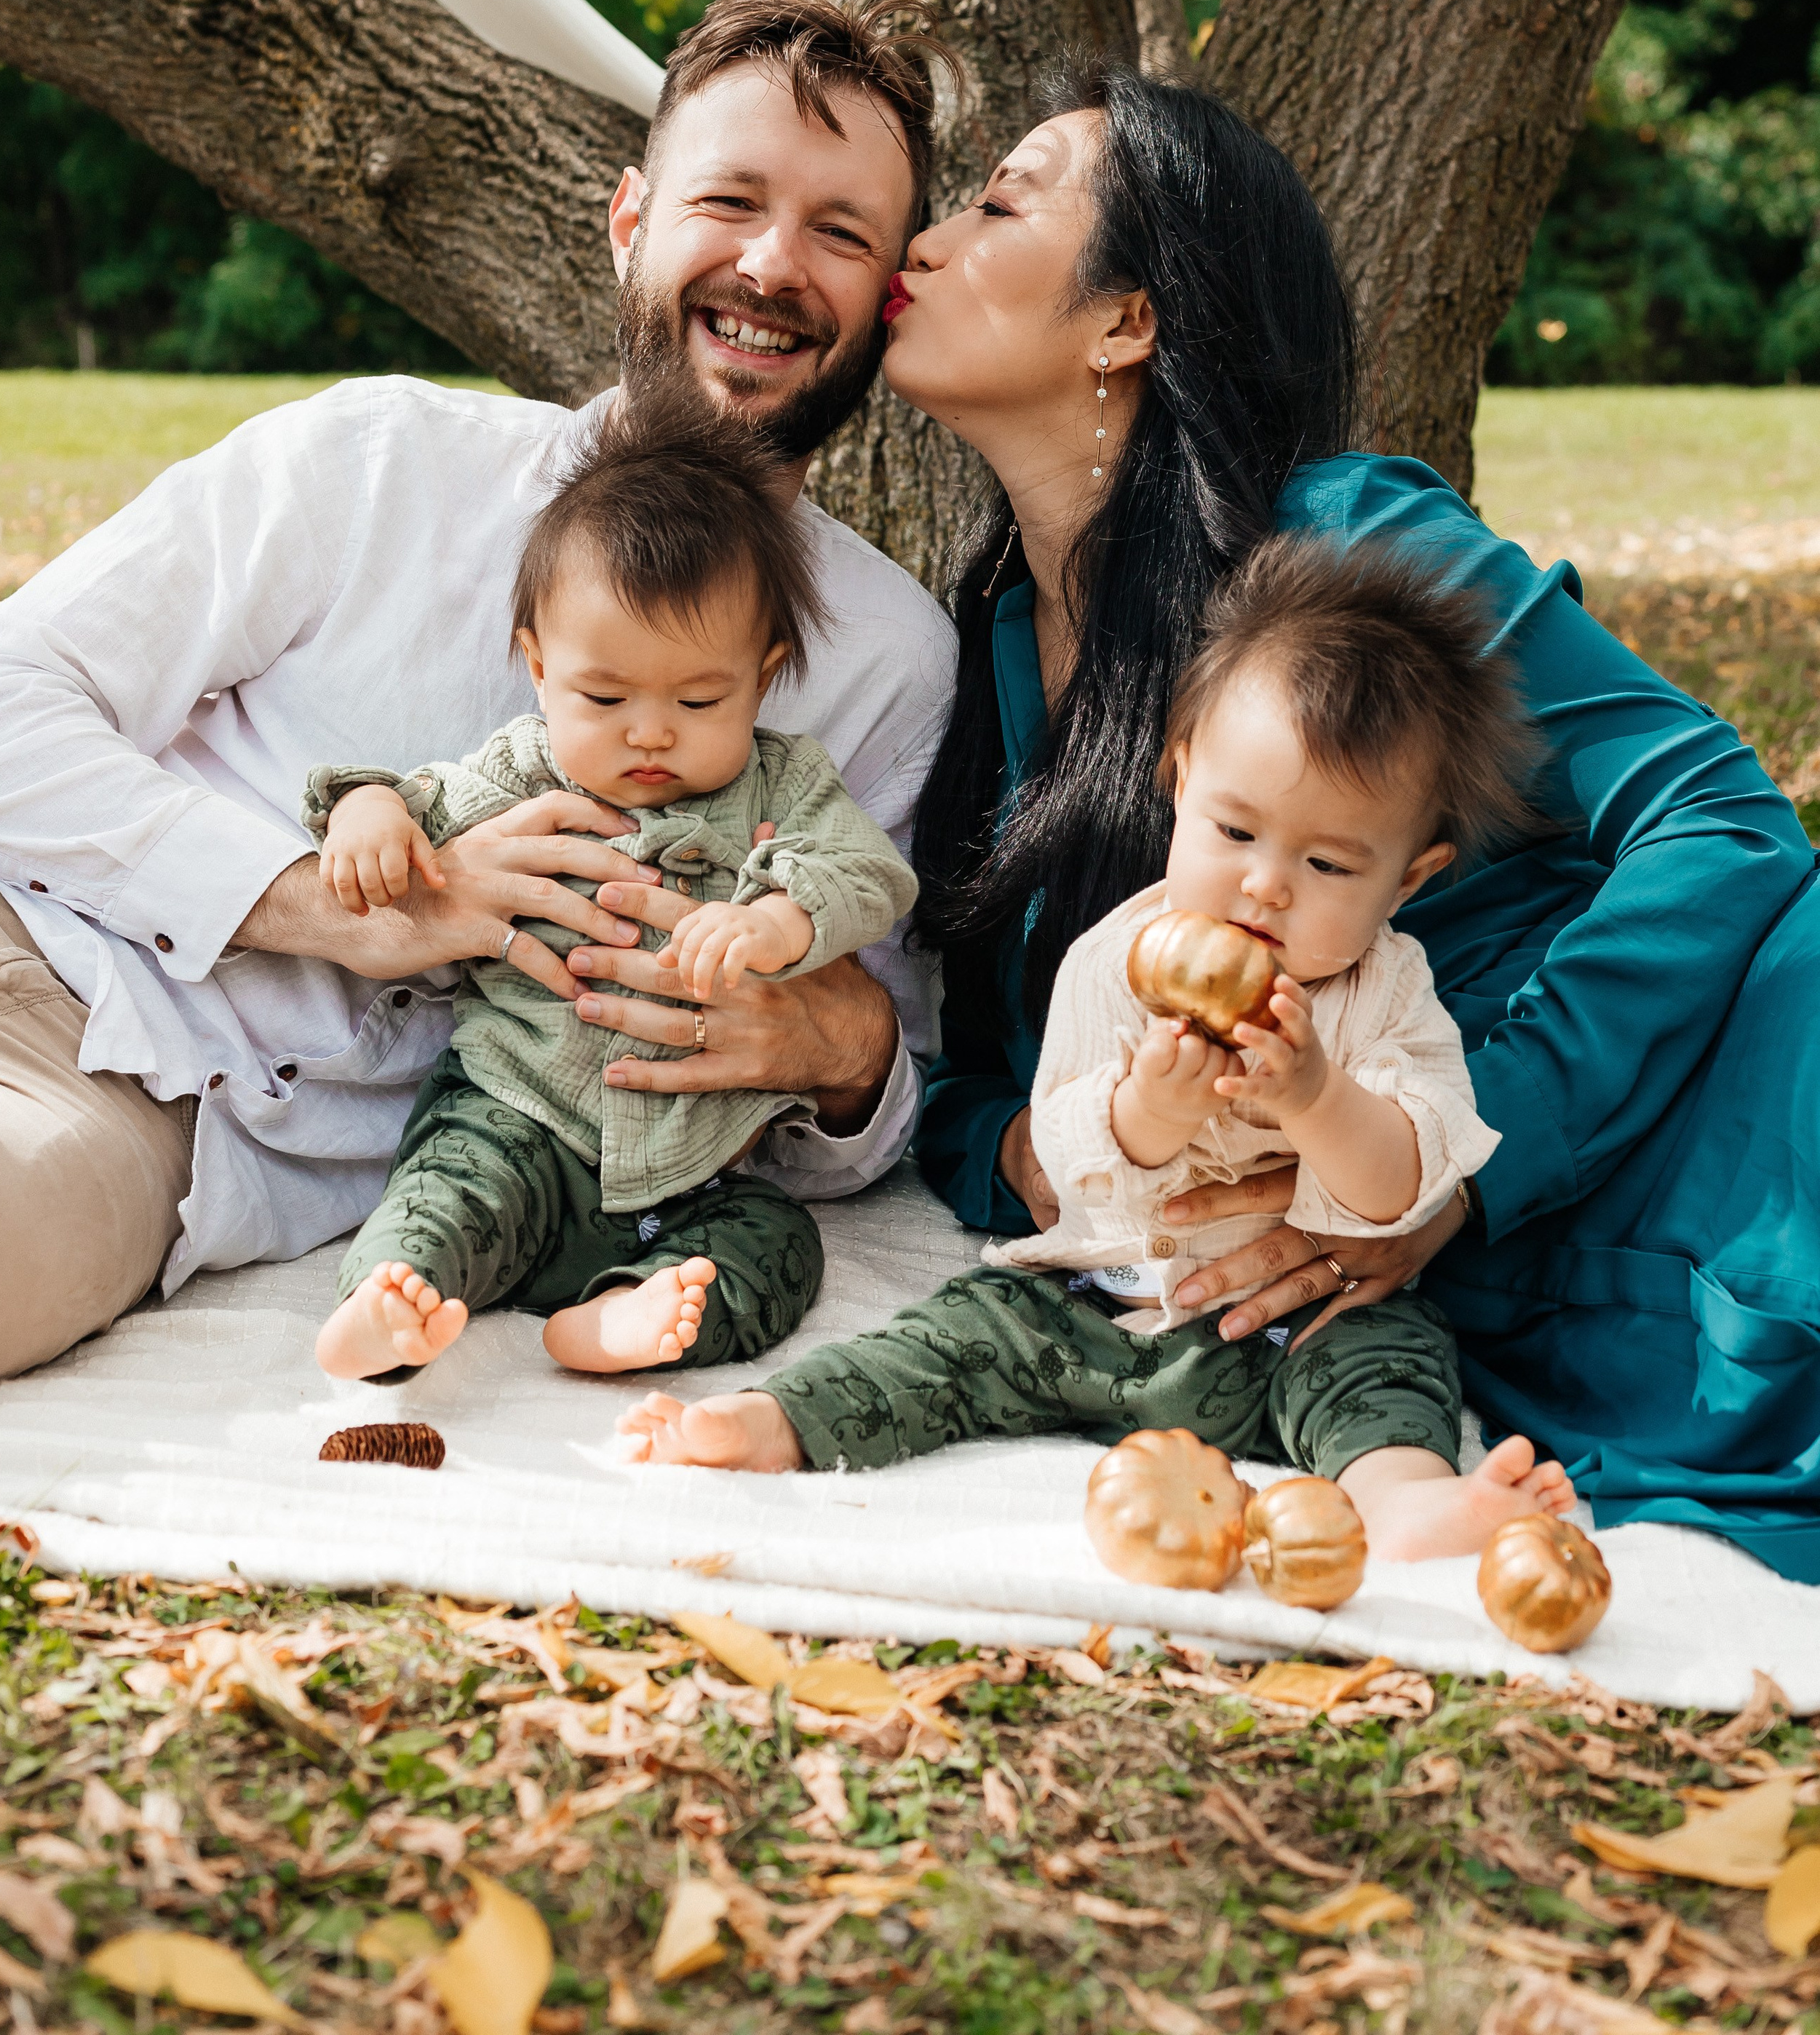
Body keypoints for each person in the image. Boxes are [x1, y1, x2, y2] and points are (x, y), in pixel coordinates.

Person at [861, 66, 1812, 1576]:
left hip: (1672, 1101)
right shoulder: (982, 650)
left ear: (1126, 322)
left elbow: (1716, 813)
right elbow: (979, 1071)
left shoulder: (1345, 544)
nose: (921, 240)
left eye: (998, 203)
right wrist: (1040, 1162)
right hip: (1399, 1271)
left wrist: (1472, 1162)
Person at [0, 0, 958, 1394]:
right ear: (630, 226)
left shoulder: (888, 661)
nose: (775, 264)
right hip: (15, 919)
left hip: (158, 1113)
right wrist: (328, 904)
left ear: (888, 291)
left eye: (841, 231)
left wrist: (838, 1042)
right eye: (729, 201)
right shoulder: (377, 462)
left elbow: (882, 1084)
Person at [621, 535, 1575, 1565]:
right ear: (1177, 784)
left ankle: (1403, 1502)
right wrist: (1147, 1116)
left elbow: (1402, 1188)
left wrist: (1315, 1098)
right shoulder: (1116, 960)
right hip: (1093, 1308)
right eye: (1235, 832)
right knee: (957, 1335)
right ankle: (778, 1423)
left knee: (1391, 1360)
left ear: (1410, 880)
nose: (1266, 886)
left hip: (1291, 1328)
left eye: (1331, 862)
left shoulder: (1387, 992)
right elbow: (1071, 1172)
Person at [309, 395, 915, 1383]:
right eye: (605, 697)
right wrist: (367, 813)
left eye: (698, 699)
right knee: (451, 1192)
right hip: (519, 1114)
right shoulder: (523, 771)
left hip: (699, 1170)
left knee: (777, 1247)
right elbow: (415, 800)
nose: (649, 731)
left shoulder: (787, 783)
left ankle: (624, 1317)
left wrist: (778, 920)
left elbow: (868, 874)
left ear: (760, 681)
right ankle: (391, 1296)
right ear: (538, 668)